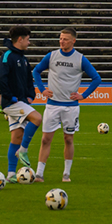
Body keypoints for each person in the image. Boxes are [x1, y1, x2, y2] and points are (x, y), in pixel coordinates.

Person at [31, 27, 102, 183]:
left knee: (68, 139)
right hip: (52, 105)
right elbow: (36, 71)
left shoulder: (80, 59)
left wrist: (83, 95)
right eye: (60, 38)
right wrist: (42, 90)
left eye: (65, 39)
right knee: (45, 139)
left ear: (73, 41)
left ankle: (66, 174)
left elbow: (96, 78)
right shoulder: (51, 56)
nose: (62, 41)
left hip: (71, 107)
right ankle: (39, 174)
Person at [0, 25, 42, 184]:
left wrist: (31, 95)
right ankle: (23, 150)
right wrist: (11, 97)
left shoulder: (23, 58)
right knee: (37, 118)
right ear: (20, 39)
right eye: (28, 39)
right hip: (12, 103)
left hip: (22, 101)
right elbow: (1, 78)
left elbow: (28, 80)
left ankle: (10, 174)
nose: (29, 43)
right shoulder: (7, 55)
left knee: (16, 136)